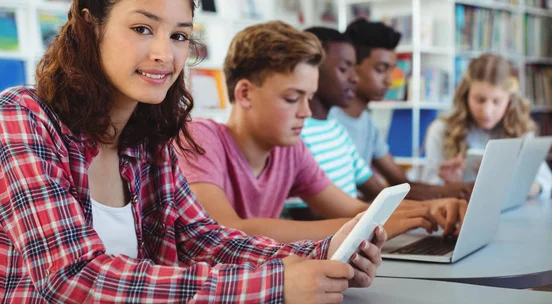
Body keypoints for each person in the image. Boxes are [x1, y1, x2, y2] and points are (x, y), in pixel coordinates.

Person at [0, 0, 386, 303]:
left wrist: (322, 253)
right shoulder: (22, 117)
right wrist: (278, 285)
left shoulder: (148, 141)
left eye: (180, 36)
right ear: (91, 26)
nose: (165, 53)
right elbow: (73, 277)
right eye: (142, 28)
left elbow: (207, 239)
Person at [177, 21, 466, 246]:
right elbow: (228, 231)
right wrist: (365, 225)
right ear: (244, 93)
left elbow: (353, 208)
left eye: (309, 97)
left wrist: (431, 208)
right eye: (292, 98)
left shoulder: (290, 151)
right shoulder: (200, 138)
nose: (305, 111)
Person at [330, 19, 473, 200]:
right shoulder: (331, 123)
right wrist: (446, 194)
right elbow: (371, 195)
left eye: (391, 70)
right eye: (381, 69)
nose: (390, 80)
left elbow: (401, 184)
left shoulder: (367, 124)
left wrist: (454, 190)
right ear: (351, 66)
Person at [422, 53, 552, 198]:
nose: (487, 111)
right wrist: (451, 187)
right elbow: (428, 188)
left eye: (496, 101)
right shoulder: (440, 130)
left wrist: (516, 185)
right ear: (466, 95)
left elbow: (546, 182)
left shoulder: (521, 131)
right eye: (480, 100)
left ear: (509, 100)